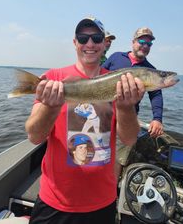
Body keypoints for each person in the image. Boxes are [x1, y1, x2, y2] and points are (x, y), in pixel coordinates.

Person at [25, 17, 145, 224]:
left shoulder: (119, 82)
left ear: (105, 42)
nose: (89, 44)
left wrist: (126, 106)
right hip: (54, 202)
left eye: (96, 37)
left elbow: (129, 139)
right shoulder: (54, 78)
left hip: (102, 202)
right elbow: (34, 136)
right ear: (75, 42)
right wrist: (50, 107)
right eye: (83, 38)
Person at [102, 27, 164, 177]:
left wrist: (157, 119)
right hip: (102, 114)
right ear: (133, 42)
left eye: (149, 44)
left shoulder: (150, 70)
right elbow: (98, 75)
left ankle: (112, 192)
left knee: (118, 158)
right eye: (142, 41)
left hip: (127, 120)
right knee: (95, 152)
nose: (145, 46)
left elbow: (156, 95)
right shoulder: (116, 57)